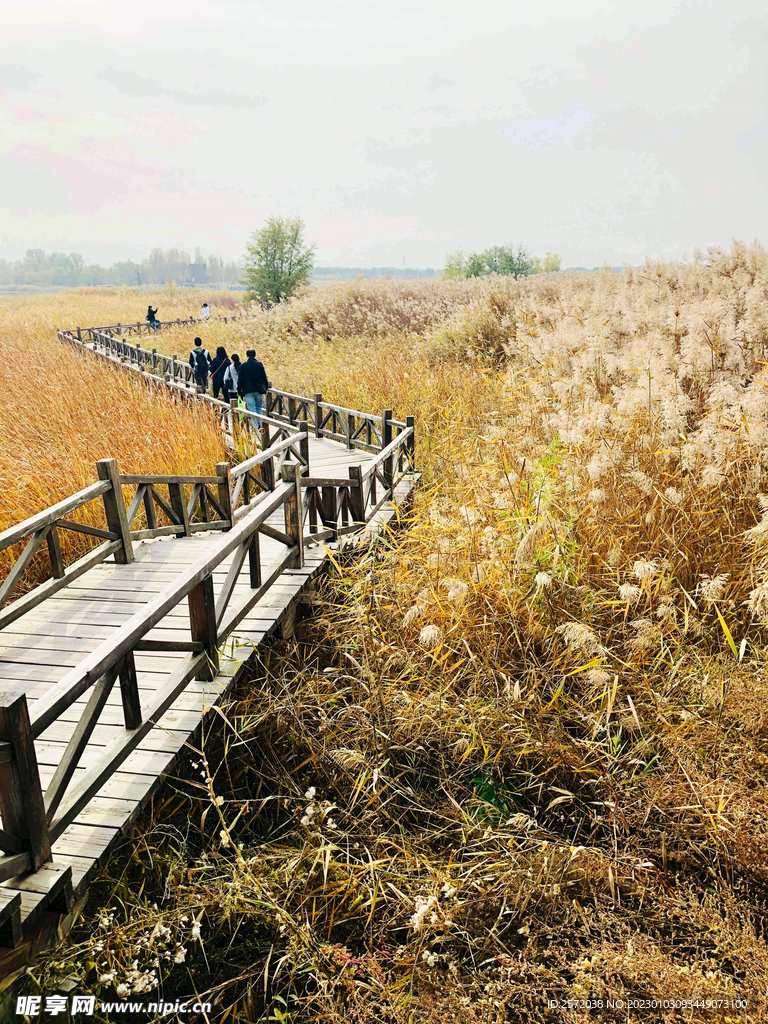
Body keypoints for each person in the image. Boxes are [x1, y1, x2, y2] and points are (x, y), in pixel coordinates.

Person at [237, 348, 270, 427]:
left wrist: (239, 391)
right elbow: (264, 377)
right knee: (259, 408)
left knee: (251, 410)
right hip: (259, 390)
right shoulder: (259, 364)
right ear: (255, 355)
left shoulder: (243, 366)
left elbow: (240, 380)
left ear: (247, 355)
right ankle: (260, 425)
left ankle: (255, 426)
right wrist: (266, 389)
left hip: (248, 391)